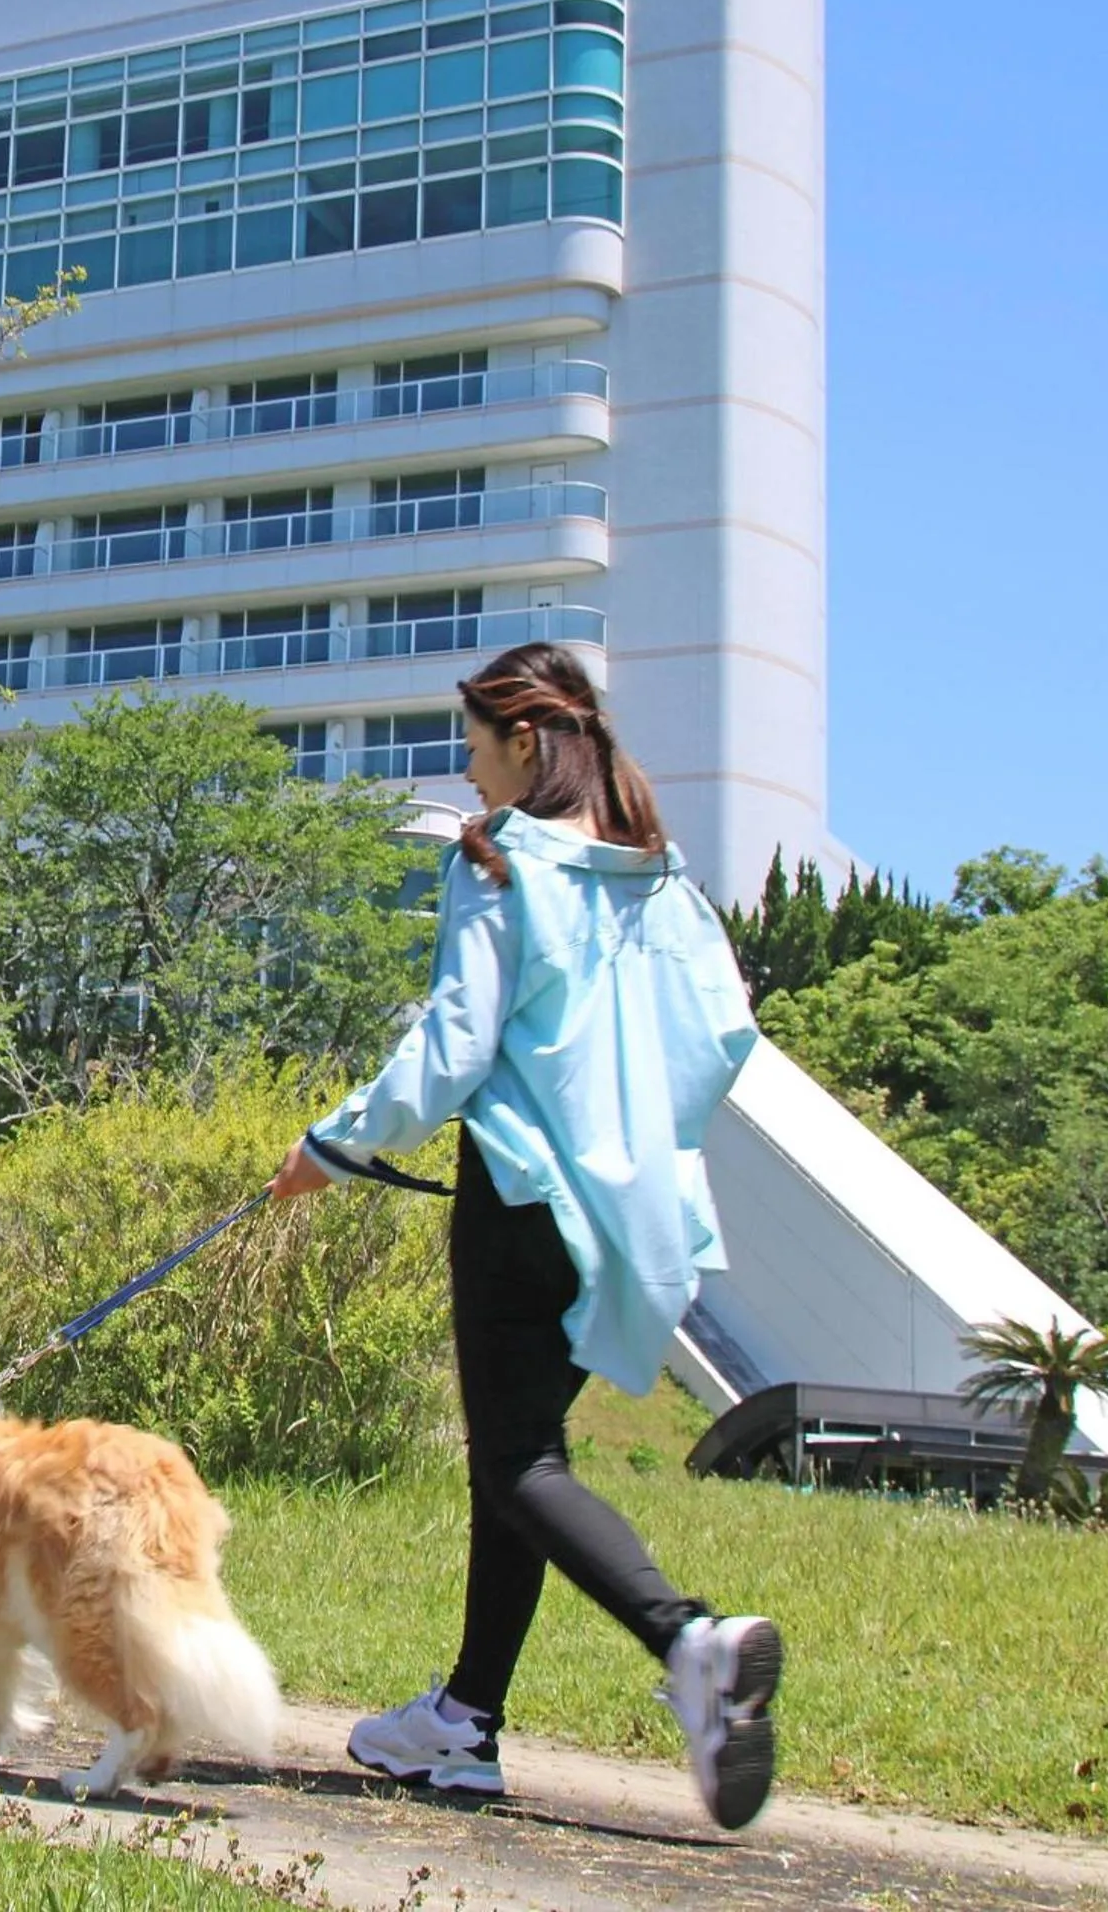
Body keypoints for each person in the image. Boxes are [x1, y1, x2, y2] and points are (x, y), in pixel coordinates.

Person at [265, 642, 782, 1831]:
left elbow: (450, 1052)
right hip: (627, 1207)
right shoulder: (661, 878)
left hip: (519, 1196)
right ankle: (464, 1722)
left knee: (517, 1465)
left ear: (526, 743)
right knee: (519, 1457)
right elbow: (724, 1037)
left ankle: (689, 1640)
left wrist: (332, 1144)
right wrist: (628, 1131)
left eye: (478, 740)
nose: (467, 762)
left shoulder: (499, 862)